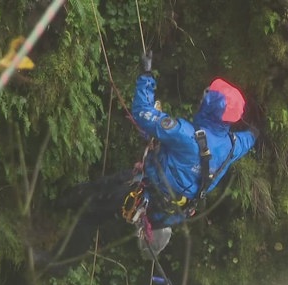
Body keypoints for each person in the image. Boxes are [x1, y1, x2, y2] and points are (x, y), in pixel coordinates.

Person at [51, 50, 258, 266]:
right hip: (170, 210)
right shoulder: (232, 145)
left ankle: (58, 265)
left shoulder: (185, 135)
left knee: (91, 213)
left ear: (209, 105)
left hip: (148, 196)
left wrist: (146, 74)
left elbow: (142, 112)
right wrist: (257, 132)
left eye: (207, 95)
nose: (203, 96)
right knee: (103, 185)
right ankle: (61, 204)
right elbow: (250, 138)